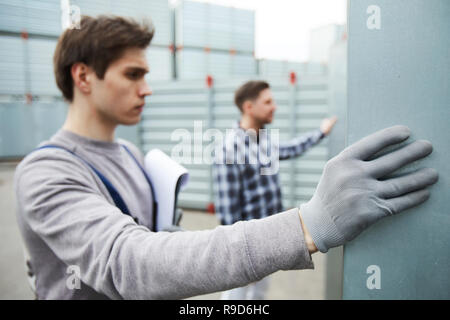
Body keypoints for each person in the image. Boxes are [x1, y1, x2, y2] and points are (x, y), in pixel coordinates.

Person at [14, 15, 439, 300]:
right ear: (83, 75)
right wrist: (306, 225)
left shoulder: (128, 153)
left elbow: (163, 241)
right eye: (133, 74)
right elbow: (129, 263)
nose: (147, 89)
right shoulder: (47, 171)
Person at [213, 80, 337, 299]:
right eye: (268, 102)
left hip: (267, 238)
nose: (275, 106)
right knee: (236, 295)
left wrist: (321, 132)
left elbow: (290, 149)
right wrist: (238, 253)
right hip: (246, 243)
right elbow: (227, 209)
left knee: (259, 292)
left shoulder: (264, 139)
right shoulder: (231, 147)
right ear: (249, 107)